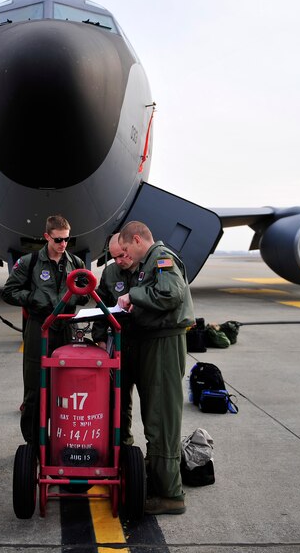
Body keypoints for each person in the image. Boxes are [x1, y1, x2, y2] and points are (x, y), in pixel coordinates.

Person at [116, 221, 194, 516]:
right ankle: (160, 478)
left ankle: (170, 495)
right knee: (155, 416)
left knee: (161, 418)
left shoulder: (162, 259)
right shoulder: (150, 261)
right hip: (154, 342)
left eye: (125, 250)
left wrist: (133, 296)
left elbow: (170, 295)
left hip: (164, 344)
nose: (126, 256)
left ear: (137, 240)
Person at [2, 215, 88, 446]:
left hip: (65, 329)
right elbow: (9, 291)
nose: (63, 245)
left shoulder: (76, 262)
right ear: (47, 236)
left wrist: (82, 292)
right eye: (58, 240)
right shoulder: (29, 262)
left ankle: (62, 439)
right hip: (39, 328)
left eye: (67, 239)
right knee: (35, 388)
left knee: (66, 388)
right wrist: (32, 297)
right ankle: (33, 444)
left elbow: (86, 293)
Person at [91, 233, 139, 446]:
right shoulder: (111, 272)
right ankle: (122, 444)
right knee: (118, 398)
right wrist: (99, 338)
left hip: (144, 341)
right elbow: (101, 303)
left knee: (151, 402)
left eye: (122, 255)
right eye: (114, 257)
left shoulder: (148, 267)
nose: (119, 261)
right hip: (119, 342)